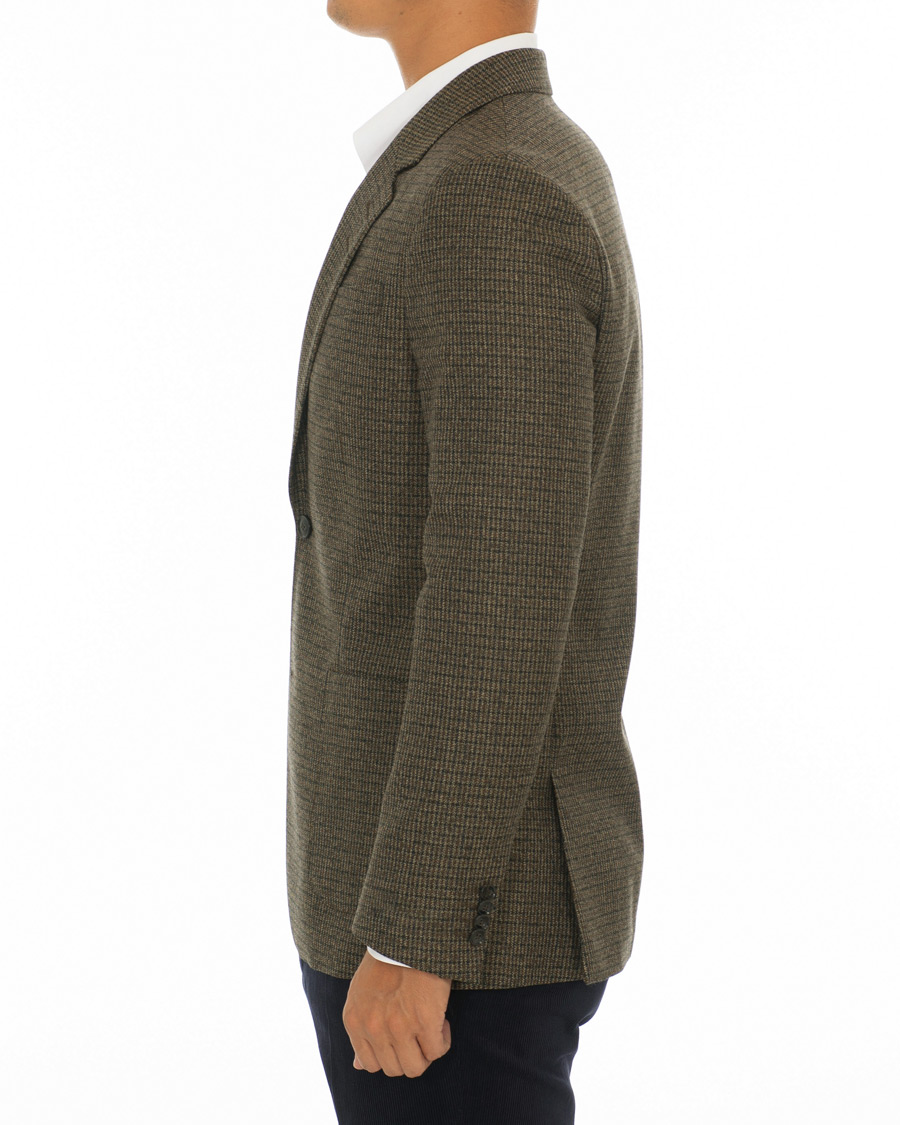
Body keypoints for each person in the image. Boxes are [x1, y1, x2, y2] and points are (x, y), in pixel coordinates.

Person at [286, 1, 644, 1119]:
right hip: (422, 908)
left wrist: (416, 932)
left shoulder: (491, 186)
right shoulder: (473, 157)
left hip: (457, 940)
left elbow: (500, 590)